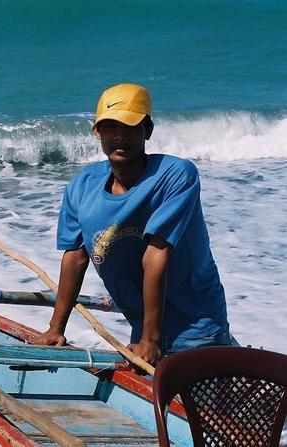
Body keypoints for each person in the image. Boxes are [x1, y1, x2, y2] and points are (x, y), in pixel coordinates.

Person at [33, 84, 232, 367]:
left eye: (130, 126)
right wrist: (55, 329)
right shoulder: (81, 186)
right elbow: (75, 258)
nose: (120, 136)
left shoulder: (175, 175)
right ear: (97, 132)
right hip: (143, 327)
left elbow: (156, 254)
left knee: (203, 411)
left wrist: (152, 340)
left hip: (196, 327)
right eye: (110, 126)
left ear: (147, 130)